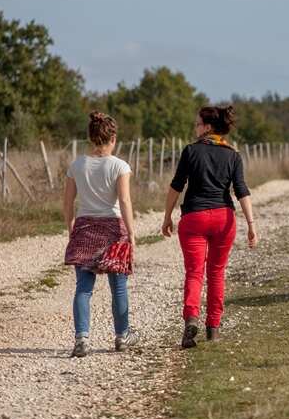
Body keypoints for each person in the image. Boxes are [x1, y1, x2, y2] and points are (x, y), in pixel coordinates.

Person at [162, 105, 258, 349]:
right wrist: (251, 224)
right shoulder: (233, 155)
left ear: (207, 127)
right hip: (223, 219)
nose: (195, 128)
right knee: (216, 272)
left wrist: (167, 216)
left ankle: (191, 319)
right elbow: (241, 190)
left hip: (194, 217)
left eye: (197, 124)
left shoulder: (191, 151)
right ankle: (213, 328)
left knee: (194, 272)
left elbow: (176, 185)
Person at [63, 111, 140, 358]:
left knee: (83, 288)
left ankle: (82, 339)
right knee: (118, 287)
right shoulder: (119, 166)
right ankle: (121, 336)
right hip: (113, 228)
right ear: (113, 138)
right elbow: (125, 200)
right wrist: (132, 233)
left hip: (84, 227)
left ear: (90, 137)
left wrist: (71, 228)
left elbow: (67, 202)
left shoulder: (76, 165)